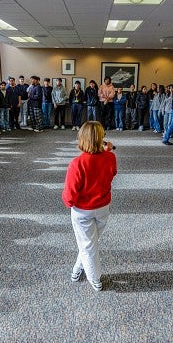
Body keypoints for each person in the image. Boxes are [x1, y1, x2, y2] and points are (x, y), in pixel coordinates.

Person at [62, 121, 117, 292]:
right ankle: (77, 270)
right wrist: (108, 149)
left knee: (88, 245)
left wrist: (66, 201)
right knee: (89, 244)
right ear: (101, 139)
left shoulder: (77, 164)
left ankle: (95, 278)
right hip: (103, 208)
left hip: (82, 210)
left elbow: (69, 198)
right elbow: (112, 172)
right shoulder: (110, 157)